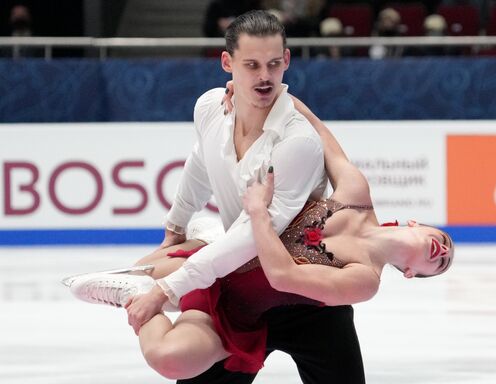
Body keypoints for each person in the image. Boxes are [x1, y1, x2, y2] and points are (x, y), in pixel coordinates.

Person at [65, 9, 367, 384]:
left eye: (274, 65)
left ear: (287, 61)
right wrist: (176, 222)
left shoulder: (298, 142)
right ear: (227, 63)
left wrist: (167, 288)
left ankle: (165, 269)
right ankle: (160, 268)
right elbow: (200, 161)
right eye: (251, 65)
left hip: (309, 302)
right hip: (238, 293)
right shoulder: (210, 107)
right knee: (178, 360)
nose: (264, 77)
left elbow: (251, 236)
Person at [66, 90, 454, 381]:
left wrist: (257, 212)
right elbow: (316, 130)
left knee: (169, 359)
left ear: (411, 273)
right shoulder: (355, 194)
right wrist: (264, 93)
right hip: (229, 267)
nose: (443, 252)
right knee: (146, 267)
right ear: (419, 224)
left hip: (249, 309)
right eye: (445, 244)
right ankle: (202, 243)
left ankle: (140, 289)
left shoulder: (364, 280)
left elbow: (282, 276)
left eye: (440, 264)